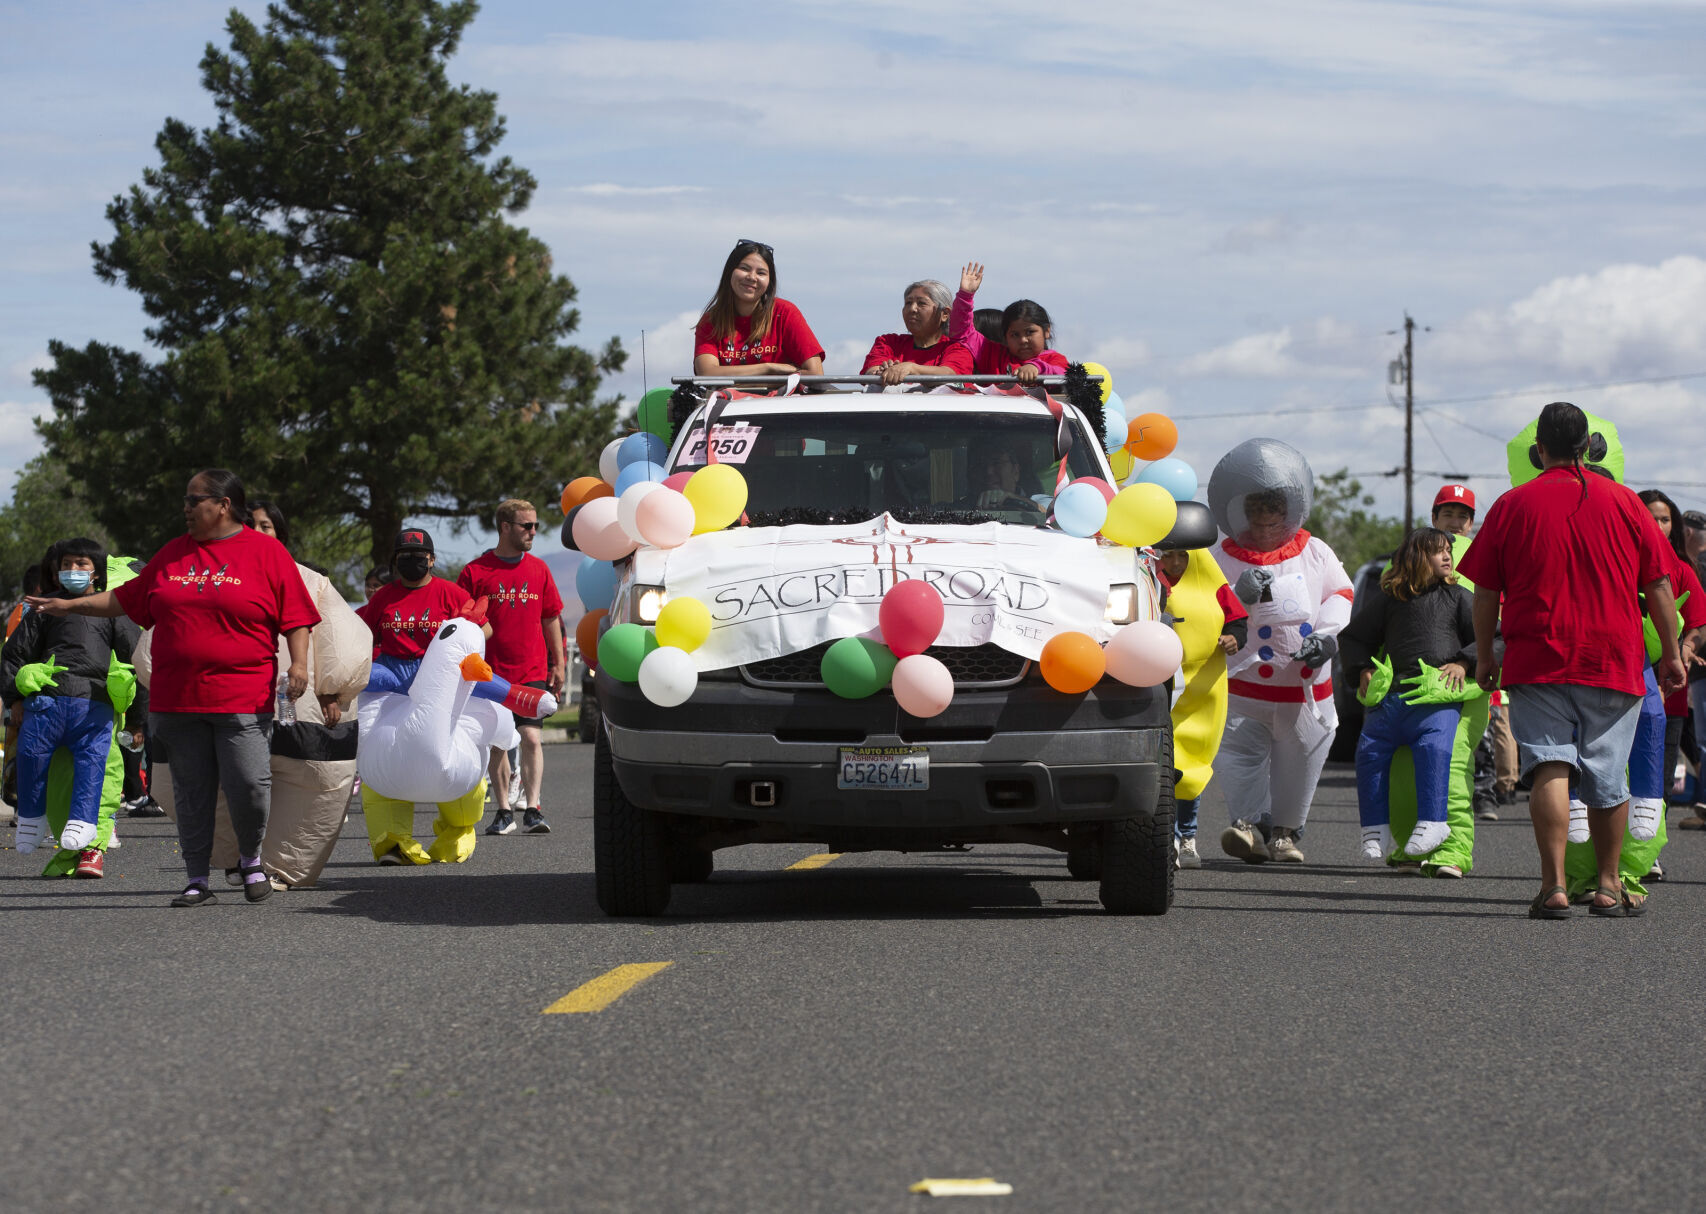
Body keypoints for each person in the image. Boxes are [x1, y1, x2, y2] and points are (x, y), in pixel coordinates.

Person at [28, 470, 320, 907]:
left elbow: (295, 616)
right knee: (192, 792)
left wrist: (299, 664)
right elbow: (125, 599)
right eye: (185, 499)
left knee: (250, 785)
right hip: (178, 699)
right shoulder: (172, 554)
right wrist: (70, 605)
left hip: (241, 695)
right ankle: (197, 879)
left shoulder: (265, 553)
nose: (184, 507)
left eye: (193, 499)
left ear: (223, 505)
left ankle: (251, 859)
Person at [1457, 403, 1683, 918]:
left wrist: (1487, 655)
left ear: (1540, 451)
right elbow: (1659, 585)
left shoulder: (1513, 505)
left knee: (1548, 765)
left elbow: (1485, 590)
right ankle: (1607, 885)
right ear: (1587, 446)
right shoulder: (1626, 502)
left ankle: (1554, 886)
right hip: (1612, 656)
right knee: (1607, 773)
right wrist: (1671, 654)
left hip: (1536, 654)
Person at [1208, 439, 1353, 864]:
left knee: (1300, 765)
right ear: (1241, 513)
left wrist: (1326, 637)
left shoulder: (1315, 551)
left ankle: (1286, 834)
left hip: (1304, 689)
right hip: (1241, 686)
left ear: (1287, 512)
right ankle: (1247, 826)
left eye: (1272, 514)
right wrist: (1238, 593)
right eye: (1256, 513)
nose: (1265, 523)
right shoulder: (1219, 557)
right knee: (1238, 760)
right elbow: (1205, 604)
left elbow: (1340, 594)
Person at [2, 538, 142, 875]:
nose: (73, 571)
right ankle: (67, 847)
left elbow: (135, 659)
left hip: (99, 711)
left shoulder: (112, 609)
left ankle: (92, 850)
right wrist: (16, 700)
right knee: (60, 784)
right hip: (47, 708)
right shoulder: (43, 609)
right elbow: (14, 656)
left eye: (81, 564)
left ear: (97, 572)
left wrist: (138, 720)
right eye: (66, 565)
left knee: (102, 779)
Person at [1341, 528, 1478, 861]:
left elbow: (1492, 637)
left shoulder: (1459, 596)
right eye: (1438, 551)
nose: (1447, 556)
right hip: (1392, 699)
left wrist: (1464, 662)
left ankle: (1434, 822)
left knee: (1434, 749)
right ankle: (1375, 829)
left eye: (1449, 550)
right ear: (1417, 557)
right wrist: (1363, 668)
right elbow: (1354, 637)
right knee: (1369, 752)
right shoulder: (1391, 599)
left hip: (1437, 700)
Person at [356, 527, 479, 863]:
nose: (412, 562)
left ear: (432, 559)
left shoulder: (451, 594)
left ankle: (457, 830)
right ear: (395, 562)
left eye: (419, 556)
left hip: (438, 685)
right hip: (393, 686)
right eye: (404, 557)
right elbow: (359, 632)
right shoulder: (384, 597)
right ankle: (392, 841)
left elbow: (479, 630)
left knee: (445, 754)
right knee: (385, 755)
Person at [459, 499, 565, 835]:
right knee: (498, 741)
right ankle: (504, 811)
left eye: (535, 525)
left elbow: (551, 618)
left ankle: (533, 808)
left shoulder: (539, 569)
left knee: (531, 738)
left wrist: (558, 662)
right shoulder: (475, 572)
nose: (534, 531)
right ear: (505, 527)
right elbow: (463, 623)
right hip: (490, 673)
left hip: (531, 668)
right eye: (526, 526)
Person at [1158, 548, 1247, 869]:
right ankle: (1166, 835)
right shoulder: (1146, 577)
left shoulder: (1213, 583)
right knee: (1163, 762)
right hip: (1157, 683)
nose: (1176, 563)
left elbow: (1237, 620)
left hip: (1202, 687)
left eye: (1182, 555)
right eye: (1168, 555)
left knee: (1192, 760)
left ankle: (1187, 838)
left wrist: (1233, 639)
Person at [693, 239, 824, 377]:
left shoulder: (785, 313)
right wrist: (768, 368)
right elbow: (707, 373)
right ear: (729, 272)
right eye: (744, 268)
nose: (752, 277)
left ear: (769, 281)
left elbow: (815, 373)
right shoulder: (710, 321)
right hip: (730, 399)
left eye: (761, 273)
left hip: (779, 399)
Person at [949, 263, 1068, 383]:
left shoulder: (1055, 359)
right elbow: (962, 333)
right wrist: (965, 296)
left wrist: (1037, 368)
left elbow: (1063, 374)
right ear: (1005, 336)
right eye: (1015, 335)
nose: (1023, 340)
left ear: (1046, 331)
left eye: (1030, 332)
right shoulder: (993, 355)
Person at [862, 280, 973, 386]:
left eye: (921, 303)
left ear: (944, 314)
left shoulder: (957, 347)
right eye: (908, 303)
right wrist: (883, 373)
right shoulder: (888, 342)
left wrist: (910, 369)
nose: (912, 309)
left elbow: (950, 374)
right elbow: (872, 371)